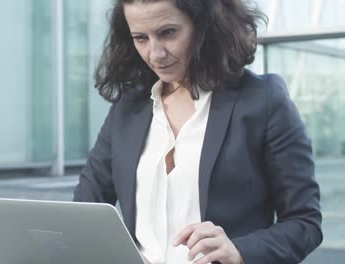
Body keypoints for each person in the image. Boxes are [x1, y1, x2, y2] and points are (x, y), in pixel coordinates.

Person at [73, 0, 322, 263]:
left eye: (168, 32)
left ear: (205, 26)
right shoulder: (128, 109)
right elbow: (83, 212)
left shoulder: (263, 101)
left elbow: (304, 222)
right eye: (140, 38)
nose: (155, 53)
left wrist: (239, 251)